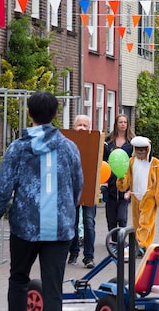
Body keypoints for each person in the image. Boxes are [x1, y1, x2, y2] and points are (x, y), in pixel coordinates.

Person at [0, 91, 82, 311]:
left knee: (19, 279)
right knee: (53, 289)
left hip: (25, 228)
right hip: (59, 229)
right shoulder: (69, 148)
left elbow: (2, 190)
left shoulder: (17, 149)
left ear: (29, 113)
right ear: (56, 113)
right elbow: (77, 186)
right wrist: (68, 210)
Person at [116, 136, 159, 249]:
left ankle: (139, 244)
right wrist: (121, 181)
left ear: (148, 150)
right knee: (137, 223)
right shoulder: (131, 162)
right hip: (135, 196)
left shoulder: (155, 163)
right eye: (138, 150)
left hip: (149, 195)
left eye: (143, 150)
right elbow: (126, 176)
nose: (140, 153)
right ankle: (145, 245)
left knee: (145, 222)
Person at [67, 114, 97, 268]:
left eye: (85, 125)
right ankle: (73, 253)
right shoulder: (67, 143)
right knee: (72, 222)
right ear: (74, 126)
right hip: (72, 190)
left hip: (89, 189)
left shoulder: (96, 143)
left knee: (89, 223)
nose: (82, 128)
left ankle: (89, 257)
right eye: (79, 125)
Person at [102, 114, 134, 233]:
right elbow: (103, 160)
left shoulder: (131, 142)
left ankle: (121, 239)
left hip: (125, 183)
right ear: (116, 124)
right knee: (111, 217)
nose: (122, 124)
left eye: (125, 122)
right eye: (120, 122)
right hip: (109, 183)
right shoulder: (108, 141)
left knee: (121, 217)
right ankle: (113, 238)